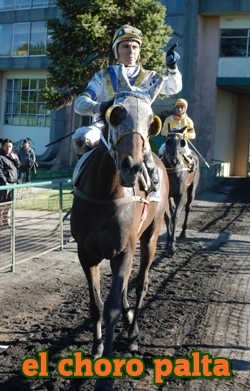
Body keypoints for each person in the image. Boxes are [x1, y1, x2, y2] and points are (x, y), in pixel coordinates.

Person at [73, 24, 182, 196]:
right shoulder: (103, 76)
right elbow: (79, 103)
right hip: (104, 128)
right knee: (80, 138)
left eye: (134, 46)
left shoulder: (149, 76)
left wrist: (172, 68)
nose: (130, 51)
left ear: (139, 51)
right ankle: (80, 183)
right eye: (125, 46)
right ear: (116, 50)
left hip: (136, 131)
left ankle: (155, 194)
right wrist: (100, 107)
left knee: (146, 155)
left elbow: (173, 87)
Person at [160, 98, 197, 171]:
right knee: (161, 149)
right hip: (170, 142)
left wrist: (186, 135)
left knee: (187, 151)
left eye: (181, 107)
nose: (179, 109)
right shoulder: (169, 119)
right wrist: (170, 134)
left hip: (182, 143)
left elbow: (193, 135)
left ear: (185, 109)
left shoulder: (188, 121)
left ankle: (191, 167)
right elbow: (162, 131)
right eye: (178, 107)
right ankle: (158, 168)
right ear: (175, 108)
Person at [0, 139, 20, 226]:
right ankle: (1, 221)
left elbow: (19, 166)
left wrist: (15, 159)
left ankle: (4, 220)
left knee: (10, 203)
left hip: (13, 183)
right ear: (3, 146)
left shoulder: (13, 155)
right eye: (6, 146)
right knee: (3, 203)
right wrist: (5, 182)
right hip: (5, 184)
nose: (8, 148)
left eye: (10, 146)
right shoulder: (1, 157)